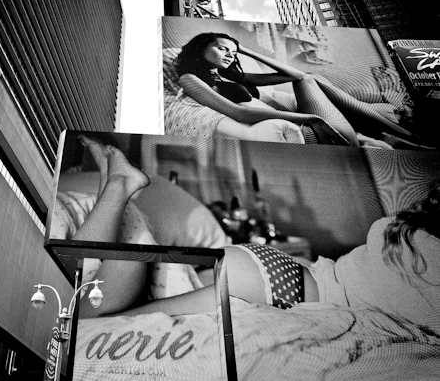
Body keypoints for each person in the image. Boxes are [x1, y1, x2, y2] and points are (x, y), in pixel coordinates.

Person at [75, 138, 439, 336]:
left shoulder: (408, 229)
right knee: (97, 320)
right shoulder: (431, 254)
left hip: (277, 272)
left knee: (97, 319)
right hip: (280, 285)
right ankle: (123, 190)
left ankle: (119, 190)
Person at [172, 33, 414, 146]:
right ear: (201, 47)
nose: (229, 55)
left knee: (310, 78)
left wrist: (244, 49)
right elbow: (239, 113)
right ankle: (400, 133)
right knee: (310, 80)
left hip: (318, 124)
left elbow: (295, 76)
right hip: (316, 131)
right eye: (222, 49)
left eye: (232, 52)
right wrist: (309, 117)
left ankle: (399, 134)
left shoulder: (230, 75)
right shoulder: (189, 78)